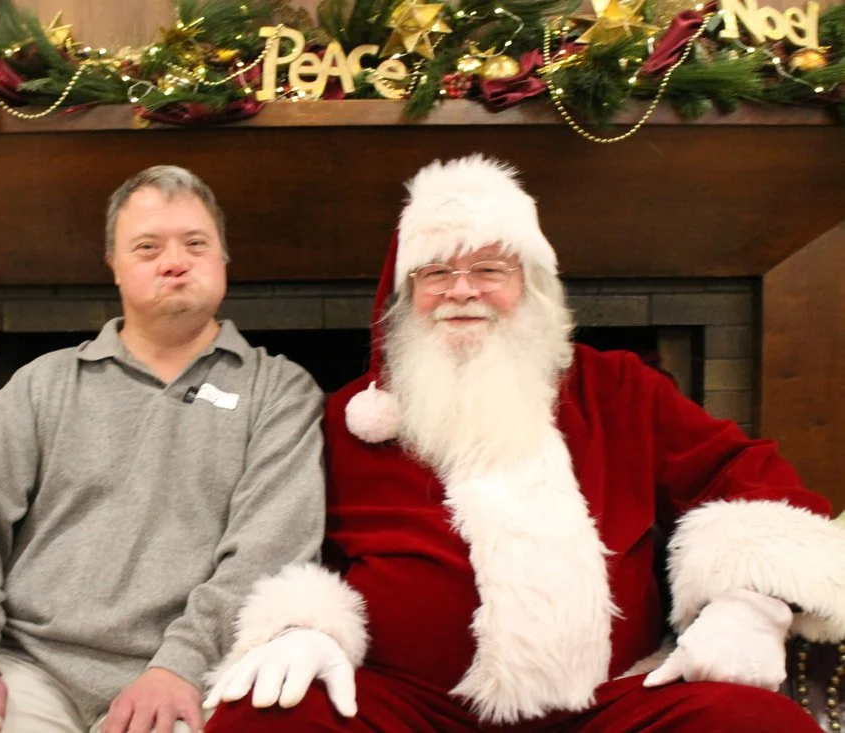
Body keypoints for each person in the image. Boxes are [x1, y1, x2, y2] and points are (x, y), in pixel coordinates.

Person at [203, 154, 845, 732]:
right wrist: (302, 628)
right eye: (436, 272)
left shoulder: (619, 386)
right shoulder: (351, 416)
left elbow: (744, 470)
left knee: (752, 722)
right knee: (260, 719)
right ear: (407, 295)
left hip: (612, 704)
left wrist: (751, 603)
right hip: (411, 707)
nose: (461, 290)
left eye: (489, 269)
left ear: (530, 286)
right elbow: (287, 538)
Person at [0, 165, 325, 733]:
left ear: (223, 258)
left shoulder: (280, 390)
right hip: (24, 668)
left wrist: (181, 664)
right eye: (147, 247)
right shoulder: (43, 384)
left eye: (195, 244)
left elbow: (271, 551)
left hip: (189, 679)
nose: (174, 261)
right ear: (115, 267)